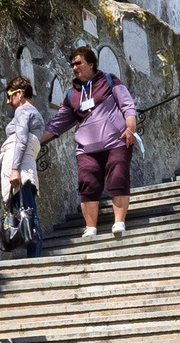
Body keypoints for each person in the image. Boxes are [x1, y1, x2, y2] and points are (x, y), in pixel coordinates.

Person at [46, 47, 138, 238]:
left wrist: (130, 128)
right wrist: (36, 142)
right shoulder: (72, 95)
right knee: (87, 184)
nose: (74, 67)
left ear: (91, 63)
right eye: (72, 64)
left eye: (78, 63)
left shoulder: (109, 80)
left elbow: (127, 105)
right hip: (86, 149)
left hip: (116, 142)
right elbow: (58, 123)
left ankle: (119, 222)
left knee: (118, 178)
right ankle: (90, 228)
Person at [0, 77, 45, 258]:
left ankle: (34, 258)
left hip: (20, 168)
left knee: (27, 214)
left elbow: (21, 140)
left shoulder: (22, 110)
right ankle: (34, 256)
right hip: (24, 165)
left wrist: (14, 169)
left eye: (10, 96)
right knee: (28, 213)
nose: (8, 102)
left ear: (19, 94)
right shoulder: (34, 112)